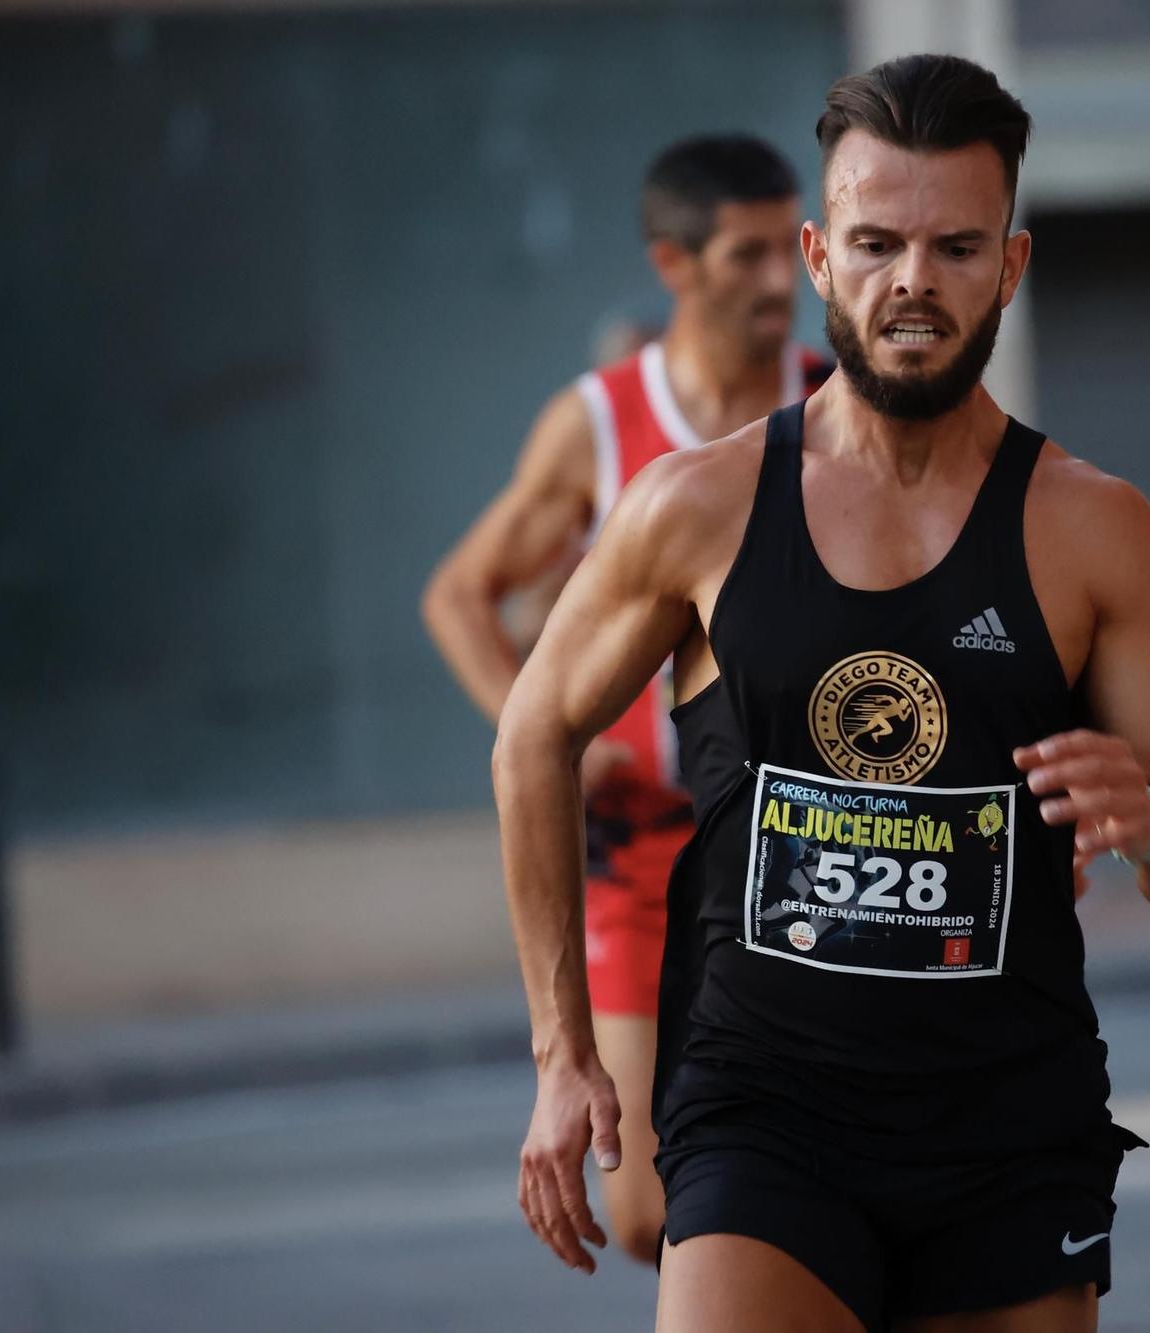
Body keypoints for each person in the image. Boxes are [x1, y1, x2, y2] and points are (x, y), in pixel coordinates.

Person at [492, 54, 1150, 1332]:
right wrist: (562, 1054)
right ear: (818, 257)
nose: (913, 281)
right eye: (877, 241)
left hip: (1009, 1121)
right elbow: (534, 735)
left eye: (954, 246)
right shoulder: (698, 505)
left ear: (1007, 267)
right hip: (762, 1107)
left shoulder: (1091, 528)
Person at [421, 134, 827, 1266]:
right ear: (673, 263)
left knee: (811, 1160)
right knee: (645, 1205)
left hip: (797, 840)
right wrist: (544, 729)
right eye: (744, 253)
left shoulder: (836, 402)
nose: (775, 279)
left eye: (783, 247)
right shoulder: (600, 421)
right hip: (640, 855)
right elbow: (461, 593)